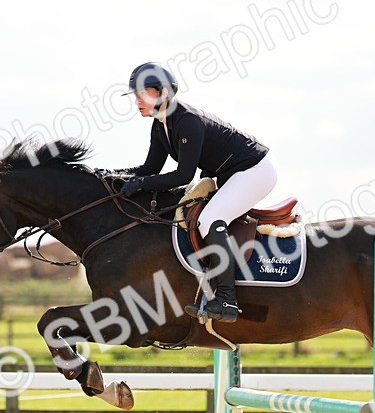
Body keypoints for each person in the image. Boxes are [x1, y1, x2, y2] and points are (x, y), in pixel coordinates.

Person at [116, 62, 277, 323]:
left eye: (142, 95)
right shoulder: (160, 124)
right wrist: (114, 176)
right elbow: (150, 168)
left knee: (210, 220)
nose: (137, 102)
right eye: (135, 96)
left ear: (163, 92)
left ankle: (226, 300)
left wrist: (141, 184)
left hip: (256, 170)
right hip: (233, 173)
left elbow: (183, 176)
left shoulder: (187, 122)